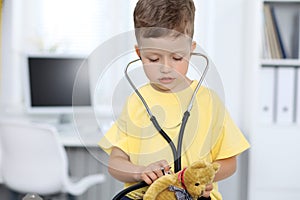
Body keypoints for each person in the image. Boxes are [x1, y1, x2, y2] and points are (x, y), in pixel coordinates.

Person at [98, 0, 250, 199]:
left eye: (177, 57)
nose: (165, 68)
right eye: (153, 59)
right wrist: (140, 171)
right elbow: (115, 163)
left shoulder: (209, 102)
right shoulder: (136, 101)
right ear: (139, 53)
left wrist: (200, 178)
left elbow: (230, 163)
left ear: (191, 50)